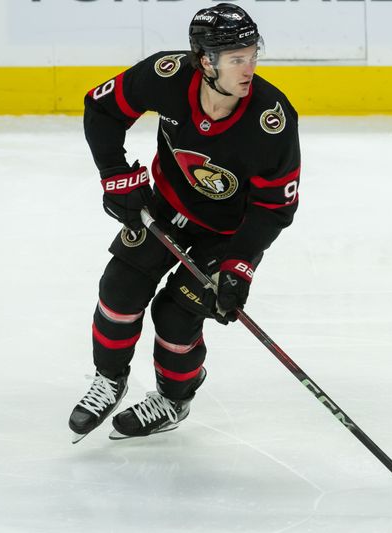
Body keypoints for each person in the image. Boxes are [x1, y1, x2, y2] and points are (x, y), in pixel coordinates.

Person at [68, 3, 300, 443]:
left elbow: (275, 207)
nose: (248, 68)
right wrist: (116, 177)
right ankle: (109, 379)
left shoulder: (272, 121)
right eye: (236, 59)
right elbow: (102, 109)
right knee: (120, 287)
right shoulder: (167, 75)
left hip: (226, 235)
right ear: (204, 60)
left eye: (252, 55)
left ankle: (174, 400)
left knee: (176, 316)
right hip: (164, 205)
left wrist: (238, 266)